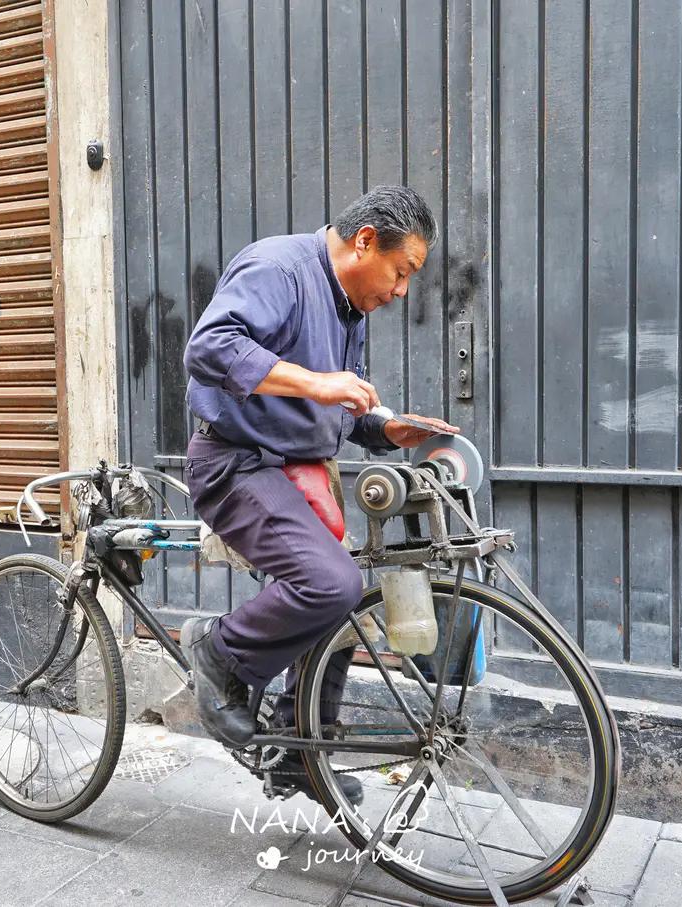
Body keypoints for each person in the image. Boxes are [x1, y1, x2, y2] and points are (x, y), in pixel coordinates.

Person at [179, 185, 457, 804]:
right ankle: (217, 651)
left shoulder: (347, 307)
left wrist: (386, 428)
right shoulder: (278, 268)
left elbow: (329, 405)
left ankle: (302, 749)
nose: (401, 290)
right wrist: (319, 383)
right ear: (365, 242)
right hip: (238, 464)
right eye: (402, 271)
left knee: (346, 601)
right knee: (330, 583)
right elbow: (209, 347)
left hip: (300, 471)